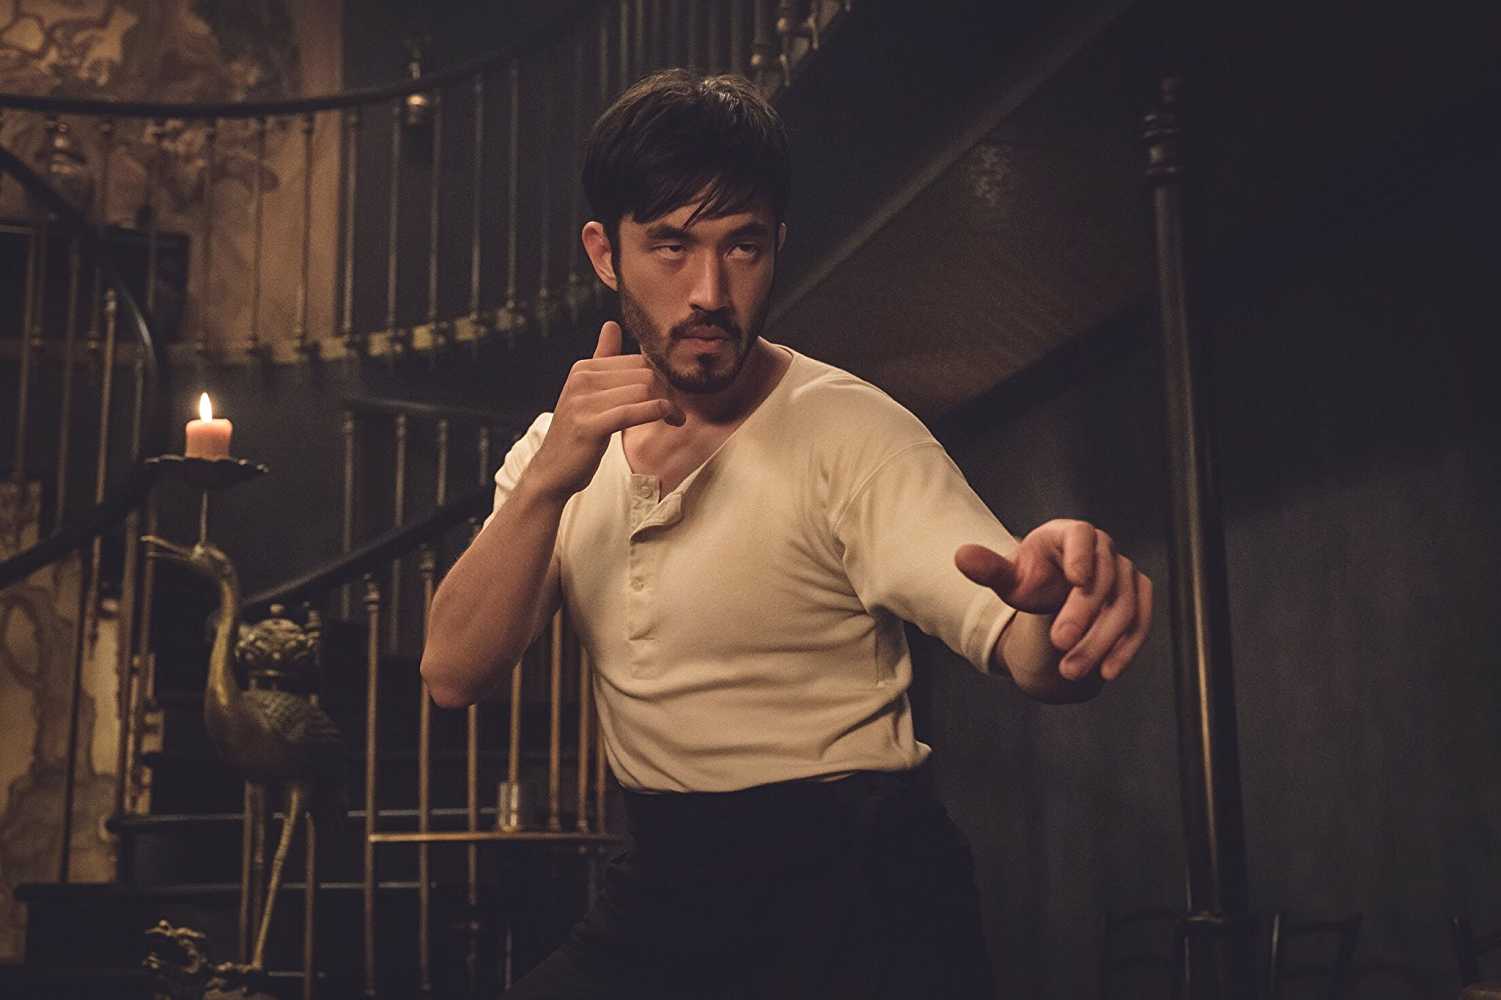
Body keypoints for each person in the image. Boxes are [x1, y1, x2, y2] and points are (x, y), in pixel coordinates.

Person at [420, 69, 1152, 999]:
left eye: (743, 246)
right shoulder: (558, 449)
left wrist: (1063, 615)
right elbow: (451, 674)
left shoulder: (852, 430)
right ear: (606, 254)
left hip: (860, 895)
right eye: (671, 246)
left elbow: (1024, 649)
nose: (709, 291)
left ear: (777, 246)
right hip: (667, 884)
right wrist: (546, 485)